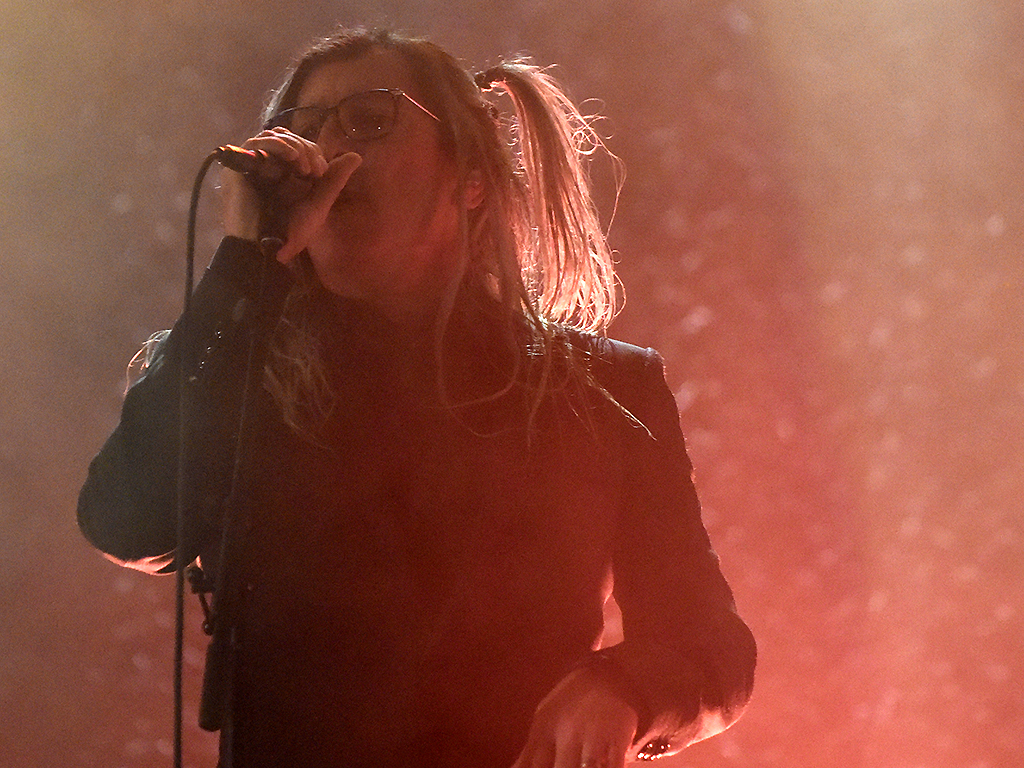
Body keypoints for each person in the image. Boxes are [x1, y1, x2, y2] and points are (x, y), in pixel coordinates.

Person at [78, 26, 756, 768]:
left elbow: (709, 645)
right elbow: (127, 520)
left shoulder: (601, 391)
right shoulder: (244, 377)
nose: (327, 150)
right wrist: (247, 264)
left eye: (369, 118)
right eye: (301, 128)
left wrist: (621, 687)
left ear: (469, 176)